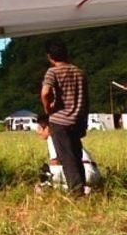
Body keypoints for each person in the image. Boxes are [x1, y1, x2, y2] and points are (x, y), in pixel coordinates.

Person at [40, 39, 89, 196]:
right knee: (76, 154)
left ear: (50, 56)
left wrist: (48, 108)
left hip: (59, 121)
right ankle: (83, 187)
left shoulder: (52, 72)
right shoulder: (79, 72)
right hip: (77, 119)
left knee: (67, 158)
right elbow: (86, 99)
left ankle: (77, 192)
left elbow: (45, 92)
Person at [35, 114, 100, 193]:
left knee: (45, 173)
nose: (37, 132)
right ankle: (85, 189)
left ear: (47, 128)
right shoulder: (66, 136)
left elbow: (55, 162)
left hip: (83, 172)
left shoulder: (53, 137)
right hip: (94, 173)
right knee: (56, 182)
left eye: (39, 128)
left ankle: (47, 188)